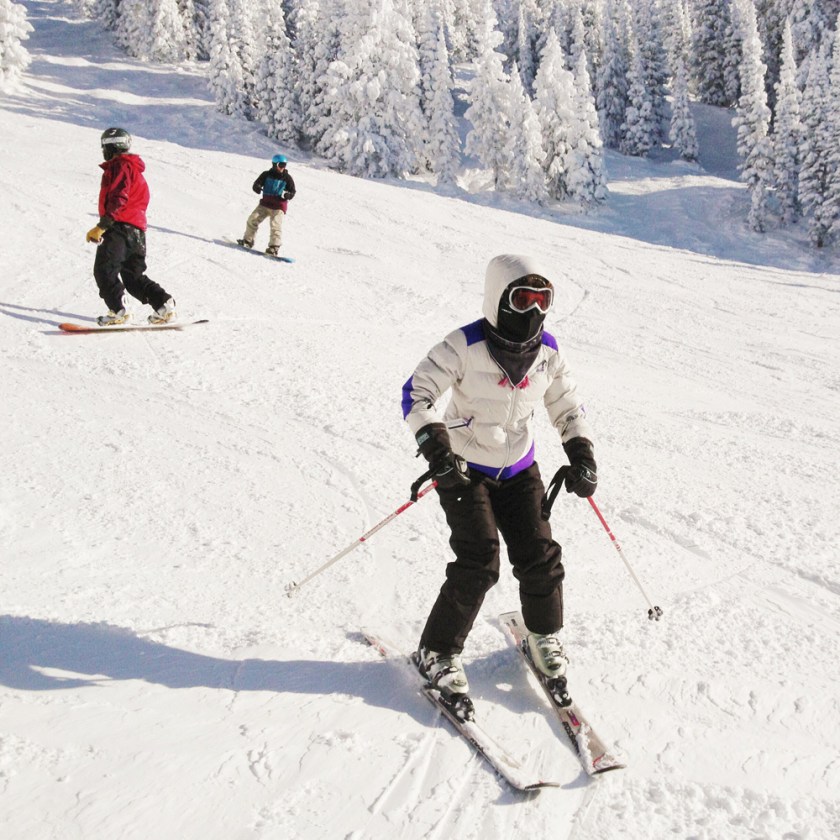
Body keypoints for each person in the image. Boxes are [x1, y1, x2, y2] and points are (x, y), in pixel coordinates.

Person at [401, 254, 598, 719]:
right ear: (498, 299)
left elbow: (567, 406)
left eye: (541, 300)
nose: (532, 311)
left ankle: (542, 635)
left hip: (518, 468)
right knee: (480, 558)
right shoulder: (464, 344)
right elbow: (418, 392)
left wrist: (582, 453)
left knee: (539, 554)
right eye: (522, 299)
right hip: (464, 467)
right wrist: (436, 447)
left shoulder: (547, 351)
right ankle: (437, 650)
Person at [85, 127, 176, 326]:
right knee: (133, 276)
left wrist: (103, 225)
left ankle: (119, 310)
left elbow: (119, 196)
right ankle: (163, 304)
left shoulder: (120, 166)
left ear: (109, 147)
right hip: (137, 232)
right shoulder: (134, 169)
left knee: (104, 270)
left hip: (118, 228)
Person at [237, 154, 296, 256]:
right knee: (252, 219)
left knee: (275, 226)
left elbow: (292, 191)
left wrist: (288, 195)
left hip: (278, 206)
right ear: (274, 164)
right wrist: (257, 187)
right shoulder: (266, 175)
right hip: (265, 204)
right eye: (281, 165)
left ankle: (273, 248)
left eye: (284, 165)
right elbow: (256, 183)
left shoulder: (287, 178)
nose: (283, 168)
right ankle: (248, 241)